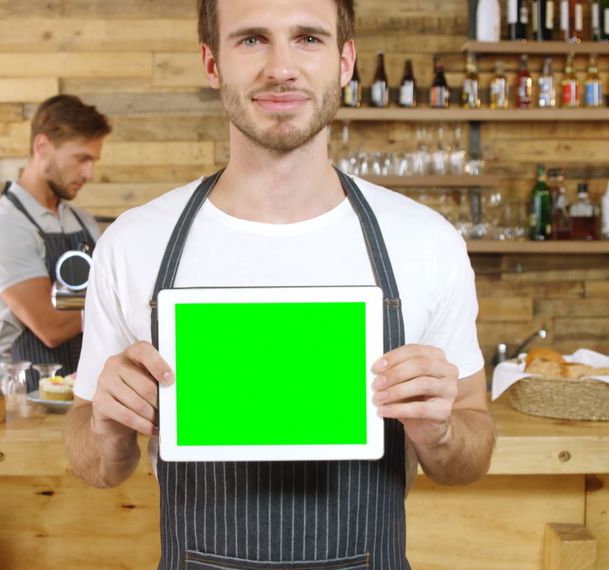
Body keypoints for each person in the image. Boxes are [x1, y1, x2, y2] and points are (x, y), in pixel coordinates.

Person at [64, 0, 495, 567]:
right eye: (251, 40)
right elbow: (94, 465)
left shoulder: (425, 242)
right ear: (211, 62)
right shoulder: (134, 243)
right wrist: (107, 426)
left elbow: (473, 448)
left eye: (308, 39)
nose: (281, 67)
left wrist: (440, 433)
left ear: (345, 62)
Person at [0, 95, 111, 390]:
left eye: (93, 161)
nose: (89, 174)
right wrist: (116, 302)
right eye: (81, 159)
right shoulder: (6, 225)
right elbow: (50, 327)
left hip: (87, 388)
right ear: (42, 147)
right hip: (33, 391)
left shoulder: (81, 219)